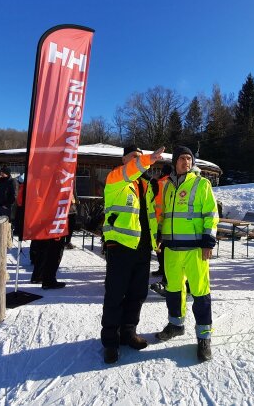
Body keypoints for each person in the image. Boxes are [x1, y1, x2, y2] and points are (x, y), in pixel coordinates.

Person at [100, 144, 165, 364]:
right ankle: (110, 341)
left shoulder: (146, 184)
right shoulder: (115, 178)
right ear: (123, 160)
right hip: (120, 247)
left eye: (140, 156)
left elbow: (150, 216)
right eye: (133, 157)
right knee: (115, 295)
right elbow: (131, 170)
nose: (138, 159)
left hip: (143, 248)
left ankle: (128, 332)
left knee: (137, 294)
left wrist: (156, 237)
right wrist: (147, 159)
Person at [155, 145, 219, 362]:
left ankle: (204, 337)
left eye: (189, 159)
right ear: (175, 162)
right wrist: (159, 234)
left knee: (200, 292)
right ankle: (176, 325)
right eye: (182, 158)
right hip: (171, 249)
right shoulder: (168, 186)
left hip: (195, 249)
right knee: (173, 289)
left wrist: (208, 241)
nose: (186, 162)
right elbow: (165, 214)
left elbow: (211, 214)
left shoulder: (202, 184)